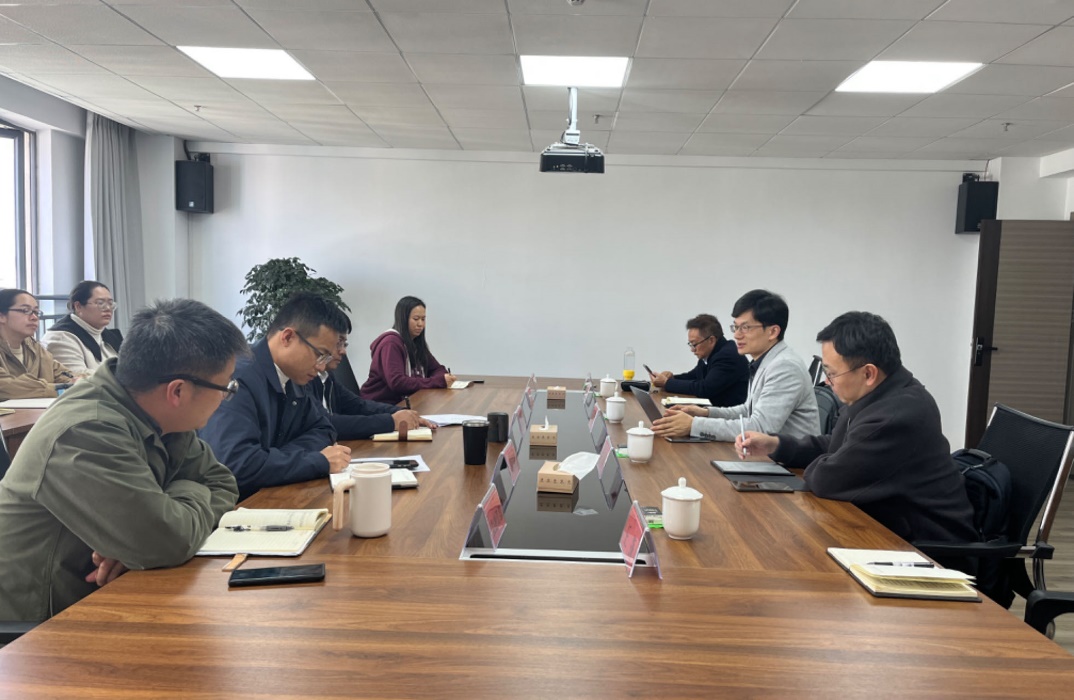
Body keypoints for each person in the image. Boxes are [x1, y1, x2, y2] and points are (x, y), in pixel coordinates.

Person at [0, 299, 244, 622]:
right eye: (225, 387)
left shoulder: (161, 415)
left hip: (106, 596)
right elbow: (168, 541)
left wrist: (138, 540)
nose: (226, 396)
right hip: (41, 625)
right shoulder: (87, 430)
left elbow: (222, 483)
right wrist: (150, 533)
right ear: (178, 391)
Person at [737, 312, 976, 544]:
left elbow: (827, 479)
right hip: (885, 531)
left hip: (927, 551)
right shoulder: (879, 395)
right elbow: (836, 446)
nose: (827, 382)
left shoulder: (897, 415)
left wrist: (829, 462)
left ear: (868, 373)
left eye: (832, 373)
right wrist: (776, 444)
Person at [200, 293, 352, 500]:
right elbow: (236, 465)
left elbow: (324, 429)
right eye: (320, 354)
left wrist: (274, 457)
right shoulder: (237, 378)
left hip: (273, 493)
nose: (321, 367)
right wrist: (316, 461)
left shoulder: (295, 377)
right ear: (287, 337)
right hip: (236, 506)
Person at [653, 289, 818, 441]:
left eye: (745, 328)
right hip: (765, 455)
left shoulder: (785, 367)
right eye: (736, 327)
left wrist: (694, 425)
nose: (737, 335)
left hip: (786, 462)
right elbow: (747, 411)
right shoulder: (765, 361)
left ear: (772, 332)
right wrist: (705, 413)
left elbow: (760, 428)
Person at [309, 321, 437, 440]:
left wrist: (400, 413)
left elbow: (359, 405)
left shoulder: (327, 377)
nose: (343, 351)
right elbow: (326, 422)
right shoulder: (305, 380)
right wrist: (391, 421)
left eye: (344, 344)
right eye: (338, 343)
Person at [362, 295, 455, 405]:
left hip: (408, 401)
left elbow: (437, 369)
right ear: (403, 319)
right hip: (380, 405)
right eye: (416, 319)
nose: (420, 324)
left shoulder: (415, 342)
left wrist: (441, 379)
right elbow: (397, 382)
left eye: (423, 319)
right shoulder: (391, 343)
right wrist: (436, 381)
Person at [649, 313, 748, 407]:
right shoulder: (711, 353)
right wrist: (671, 378)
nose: (692, 349)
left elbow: (705, 388)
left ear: (711, 340)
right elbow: (693, 376)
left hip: (728, 416)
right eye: (690, 344)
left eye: (694, 344)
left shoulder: (727, 356)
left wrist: (667, 383)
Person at [0, 288, 75, 400]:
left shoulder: (33, 346)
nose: (34, 317)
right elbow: (6, 387)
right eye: (25, 310)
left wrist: (78, 382)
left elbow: (62, 374)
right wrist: (58, 389)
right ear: (1, 316)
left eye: (36, 312)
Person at [42, 280, 123, 376]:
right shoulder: (60, 338)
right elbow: (77, 378)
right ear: (78, 306)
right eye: (100, 303)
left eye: (110, 303)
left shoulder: (111, 336)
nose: (108, 308)